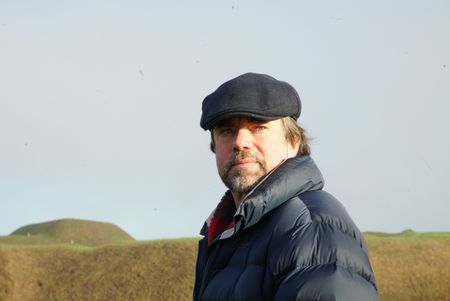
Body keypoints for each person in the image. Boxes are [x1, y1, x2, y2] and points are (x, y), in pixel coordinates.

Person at [193, 73, 378, 301]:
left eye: (258, 127)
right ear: (214, 146)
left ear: (293, 142)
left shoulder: (311, 227)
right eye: (226, 131)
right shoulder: (226, 234)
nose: (240, 142)